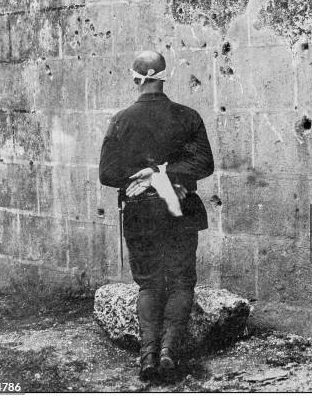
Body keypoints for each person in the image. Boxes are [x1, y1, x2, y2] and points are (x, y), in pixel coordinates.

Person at [98, 51, 214, 381]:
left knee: (148, 284)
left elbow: (108, 173)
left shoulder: (122, 120)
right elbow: (205, 164)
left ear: (137, 80)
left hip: (140, 213)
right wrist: (167, 173)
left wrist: (150, 174)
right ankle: (168, 351)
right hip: (180, 209)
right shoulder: (188, 116)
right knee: (180, 282)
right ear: (164, 76)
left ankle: (148, 355)